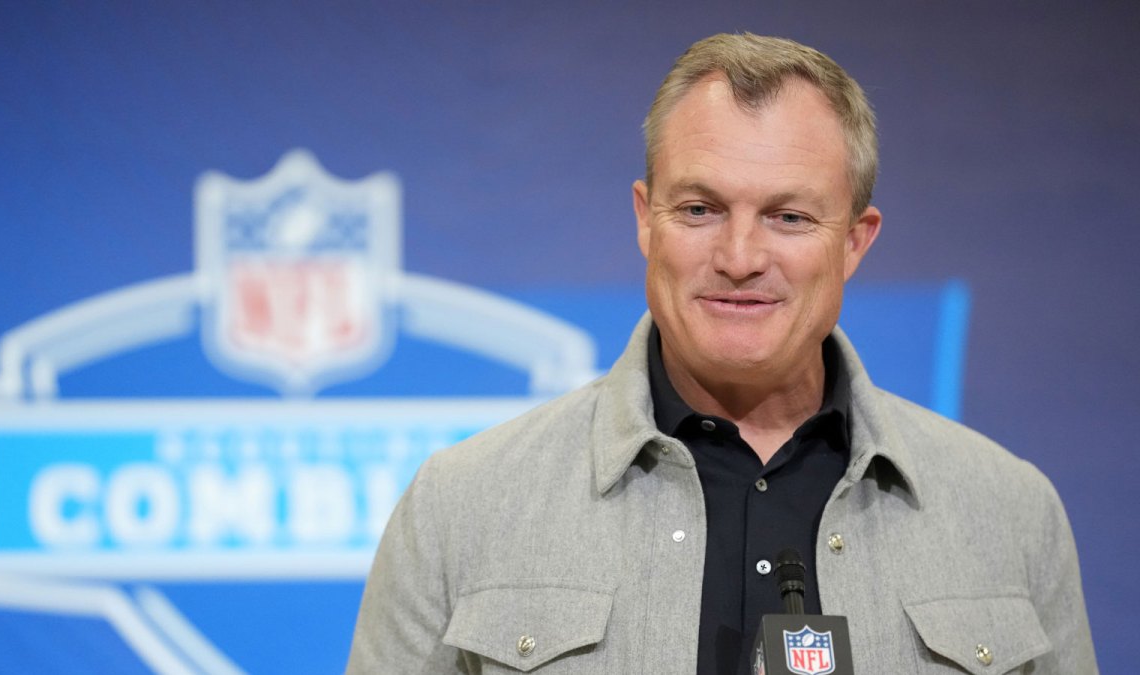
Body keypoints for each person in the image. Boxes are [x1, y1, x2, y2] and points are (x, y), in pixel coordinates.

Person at [347, 33, 1097, 674]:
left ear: (855, 240)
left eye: (789, 215)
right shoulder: (462, 505)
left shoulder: (1010, 512)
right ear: (647, 220)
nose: (740, 255)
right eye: (700, 209)